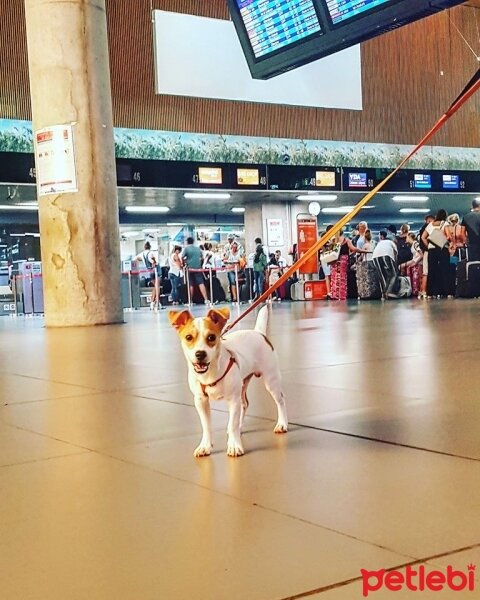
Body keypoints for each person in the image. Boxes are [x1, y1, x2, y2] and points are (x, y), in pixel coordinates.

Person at [421, 209, 451, 298]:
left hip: (432, 250)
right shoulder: (445, 224)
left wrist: (428, 246)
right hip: (443, 249)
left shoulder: (430, 224)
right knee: (444, 270)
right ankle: (445, 292)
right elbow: (448, 236)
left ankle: (431, 293)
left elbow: (423, 237)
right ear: (445, 216)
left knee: (431, 271)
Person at [181, 237, 210, 305]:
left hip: (190, 268)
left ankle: (190, 301)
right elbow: (202, 258)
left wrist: (184, 263)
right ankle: (206, 300)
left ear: (187, 242)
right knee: (201, 283)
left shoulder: (186, 249)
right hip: (198, 268)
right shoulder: (198, 249)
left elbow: (182, 257)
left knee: (190, 284)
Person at [372, 232, 399, 298]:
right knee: (394, 274)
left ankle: (383, 294)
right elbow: (395, 256)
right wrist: (396, 266)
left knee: (382, 276)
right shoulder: (392, 243)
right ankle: (388, 292)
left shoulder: (380, 242)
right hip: (386, 254)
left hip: (375, 256)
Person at [135, 241, 159, 309]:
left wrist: (141, 261)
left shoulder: (142, 254)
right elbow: (154, 261)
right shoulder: (151, 253)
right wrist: (154, 262)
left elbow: (135, 258)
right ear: (150, 247)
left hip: (149, 271)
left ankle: (152, 302)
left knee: (155, 286)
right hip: (156, 270)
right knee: (157, 286)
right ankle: (156, 302)